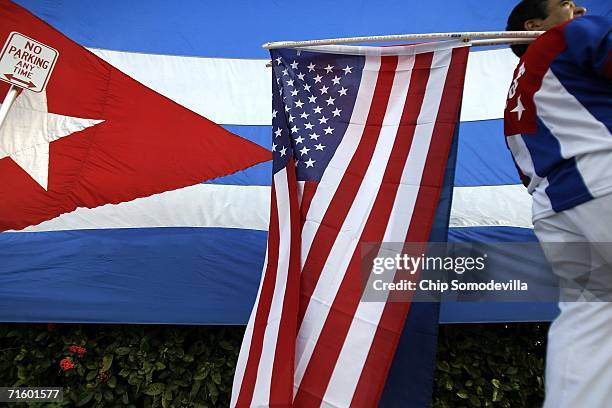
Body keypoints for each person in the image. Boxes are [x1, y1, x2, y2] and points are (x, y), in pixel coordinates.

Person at [504, 1, 612, 407]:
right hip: (602, 180)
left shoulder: (519, 85)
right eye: (566, 4)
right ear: (535, 25)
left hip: (555, 208)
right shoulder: (568, 36)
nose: (581, 7)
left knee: (592, 318)